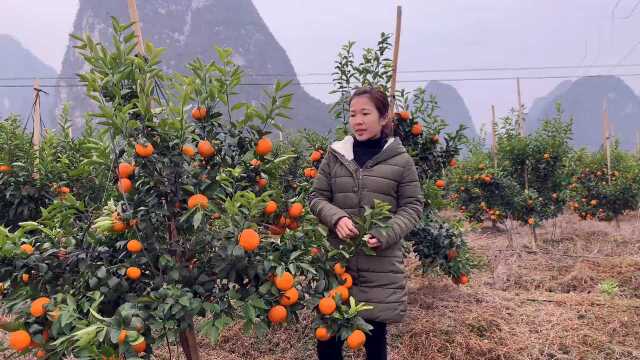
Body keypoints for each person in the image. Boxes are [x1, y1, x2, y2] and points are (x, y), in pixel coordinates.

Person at [309, 87, 424, 360]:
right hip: (337, 261)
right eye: (352, 114)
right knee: (329, 339)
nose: (358, 121)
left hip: (379, 263)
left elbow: (413, 206)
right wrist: (336, 218)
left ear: (383, 117)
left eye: (365, 113)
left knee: (374, 341)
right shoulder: (336, 156)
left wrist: (386, 232)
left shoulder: (400, 160)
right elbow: (316, 196)